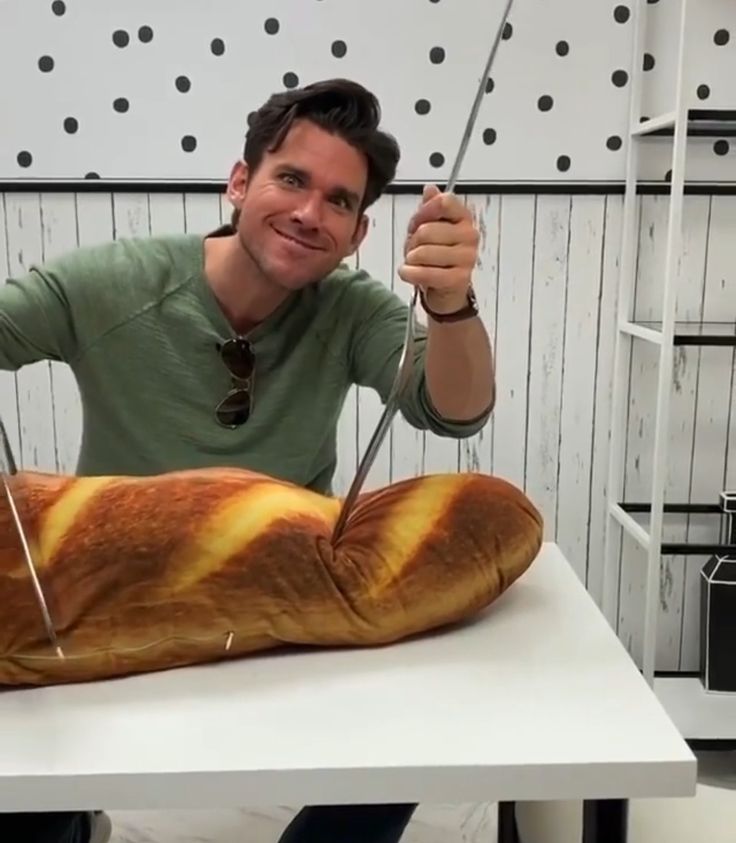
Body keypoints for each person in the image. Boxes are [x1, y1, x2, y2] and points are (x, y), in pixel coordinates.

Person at [0, 77, 495, 843]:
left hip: (285, 606)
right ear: (240, 182)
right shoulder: (113, 282)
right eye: (291, 179)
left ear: (358, 234)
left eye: (339, 201)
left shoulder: (352, 309)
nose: (309, 213)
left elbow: (455, 410)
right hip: (109, 608)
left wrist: (452, 301)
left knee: (418, 724)